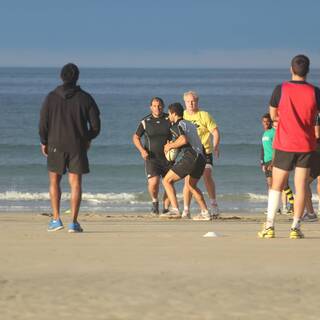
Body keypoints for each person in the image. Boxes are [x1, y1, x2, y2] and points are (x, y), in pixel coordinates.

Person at [258, 54, 320, 239]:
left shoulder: (281, 89)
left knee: (276, 185)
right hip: (305, 144)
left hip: (285, 143)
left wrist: (282, 121)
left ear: (291, 69)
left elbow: (273, 114)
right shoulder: (315, 92)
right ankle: (295, 227)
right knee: (301, 186)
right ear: (308, 71)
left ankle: (269, 226)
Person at [39, 63, 101, 232]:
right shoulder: (86, 98)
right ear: (77, 77)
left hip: (55, 144)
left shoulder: (51, 97)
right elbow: (96, 126)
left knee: (54, 181)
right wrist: (87, 138)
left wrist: (43, 141)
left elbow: (43, 123)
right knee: (75, 183)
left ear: (61, 76)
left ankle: (56, 219)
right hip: (77, 145)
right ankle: (73, 222)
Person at [160, 102, 210, 220]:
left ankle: (175, 210)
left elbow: (183, 139)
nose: (168, 117)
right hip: (201, 158)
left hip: (191, 157)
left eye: (169, 114)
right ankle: (205, 213)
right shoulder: (190, 124)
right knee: (191, 185)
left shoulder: (177, 125)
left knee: (167, 180)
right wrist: (174, 146)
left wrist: (170, 146)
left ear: (173, 114)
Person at [182, 91, 220, 218]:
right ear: (185, 102)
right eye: (188, 101)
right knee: (188, 180)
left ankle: (214, 205)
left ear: (197, 102)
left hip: (205, 151)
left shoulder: (204, 115)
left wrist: (216, 145)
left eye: (193, 101)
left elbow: (215, 131)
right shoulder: (182, 116)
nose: (191, 103)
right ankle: (186, 210)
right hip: (190, 152)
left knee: (207, 174)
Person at [132, 97, 171, 215]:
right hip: (151, 158)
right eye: (154, 106)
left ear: (163, 106)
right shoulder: (145, 121)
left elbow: (179, 134)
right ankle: (155, 202)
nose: (157, 108)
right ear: (151, 107)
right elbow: (135, 137)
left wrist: (174, 146)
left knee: (169, 184)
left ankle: (166, 208)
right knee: (153, 183)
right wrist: (142, 150)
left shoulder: (169, 119)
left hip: (168, 158)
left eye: (159, 106)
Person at [260, 114, 294, 214]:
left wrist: (273, 163)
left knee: (283, 185)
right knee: (270, 185)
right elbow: (263, 148)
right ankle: (275, 208)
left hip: (275, 161)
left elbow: (276, 148)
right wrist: (262, 162)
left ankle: (292, 203)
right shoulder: (265, 134)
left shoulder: (275, 133)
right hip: (266, 162)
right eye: (264, 121)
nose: (265, 123)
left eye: (267, 121)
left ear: (270, 122)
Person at [303, 112, 320, 221]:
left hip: (316, 152)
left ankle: (311, 213)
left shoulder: (316, 116)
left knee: (303, 182)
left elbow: (317, 134)